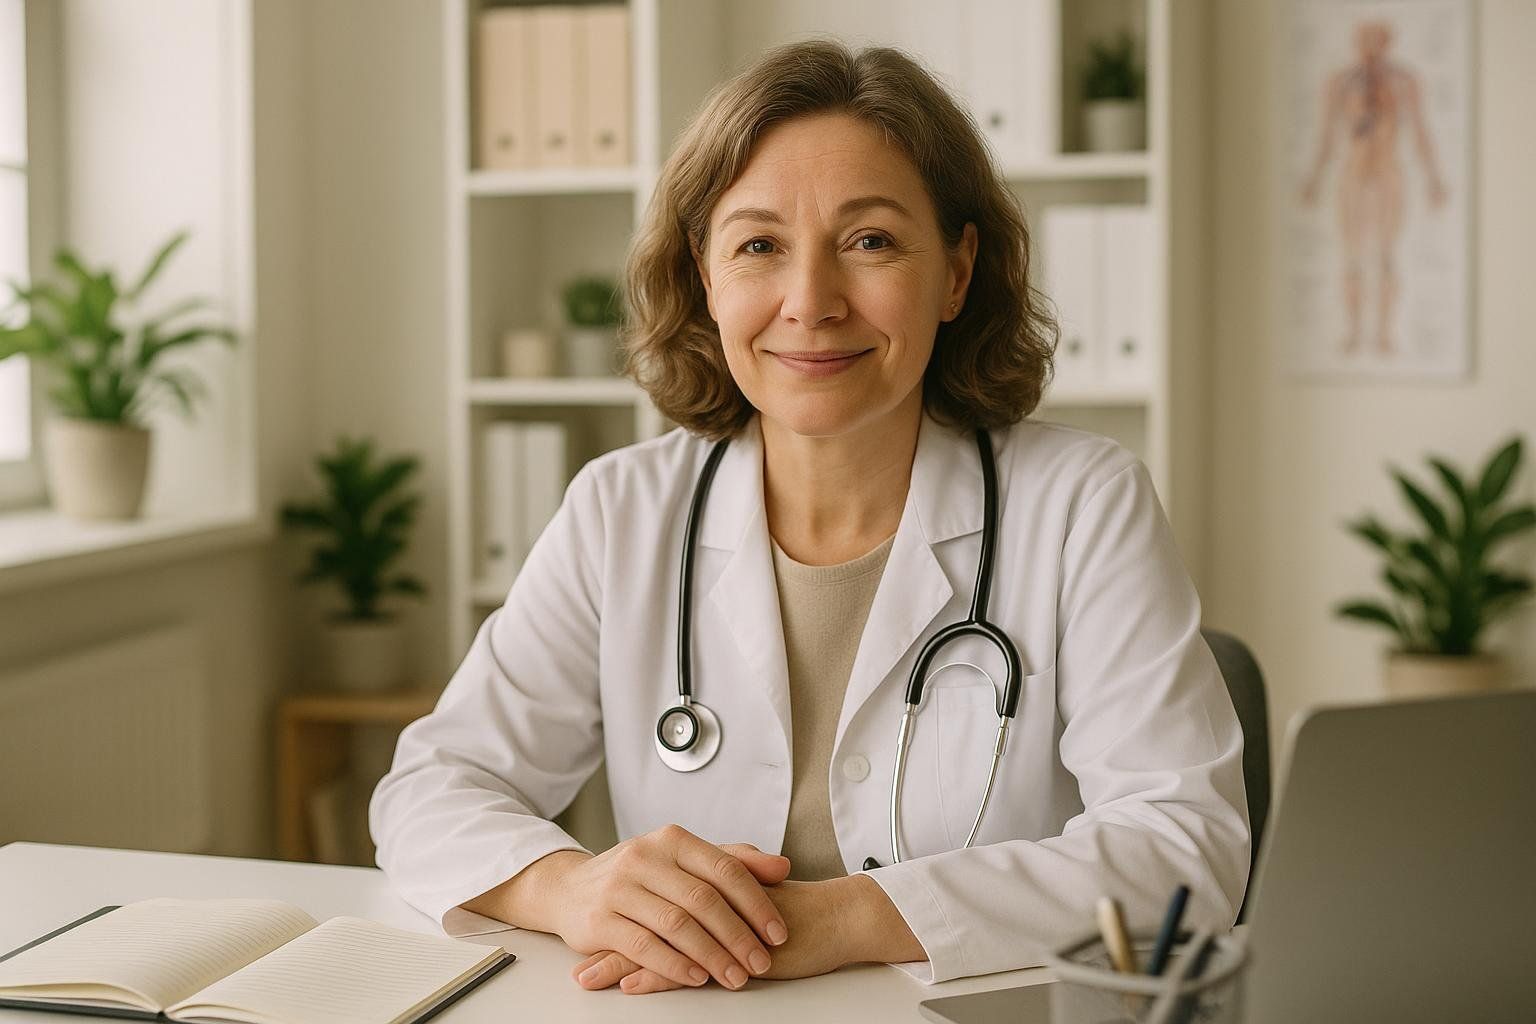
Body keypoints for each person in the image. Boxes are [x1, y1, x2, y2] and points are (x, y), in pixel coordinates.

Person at [370, 39, 1249, 995]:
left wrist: (840, 920)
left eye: (869, 241)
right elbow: (429, 791)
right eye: (758, 246)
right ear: (706, 279)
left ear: (956, 272)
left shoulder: (1082, 503)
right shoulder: (620, 512)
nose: (811, 302)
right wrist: (573, 890)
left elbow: (1186, 851)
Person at [1299, 18, 1449, 356]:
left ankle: (1383, 333)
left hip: (1387, 172)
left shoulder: (1403, 82)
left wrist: (1434, 179)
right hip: (1353, 172)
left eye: (1377, 40)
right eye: (1364, 39)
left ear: (1387, 43)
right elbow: (1327, 135)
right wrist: (1313, 179)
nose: (1370, 47)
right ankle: (1353, 332)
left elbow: (1421, 132)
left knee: (1385, 255)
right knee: (1351, 256)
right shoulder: (1340, 83)